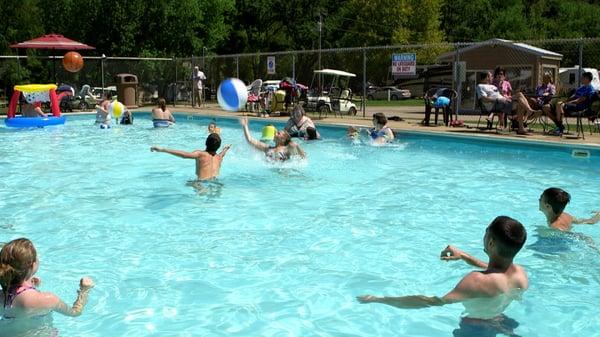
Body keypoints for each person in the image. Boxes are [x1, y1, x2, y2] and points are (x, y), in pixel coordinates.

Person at [358, 216, 528, 335]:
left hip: (475, 330)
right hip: (499, 319)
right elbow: (496, 270)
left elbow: (434, 303)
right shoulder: (520, 274)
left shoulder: (476, 281)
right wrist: (464, 256)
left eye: (486, 232)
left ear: (490, 242)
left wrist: (380, 300)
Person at [0, 238, 94, 334]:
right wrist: (84, 290)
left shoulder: (2, 296)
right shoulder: (47, 299)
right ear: (33, 265)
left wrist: (31, 286)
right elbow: (75, 312)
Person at [151, 133, 231, 181]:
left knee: (188, 183)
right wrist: (226, 149)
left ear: (206, 142)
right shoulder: (219, 157)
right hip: (216, 183)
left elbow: (184, 155)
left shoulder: (200, 154)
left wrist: (163, 149)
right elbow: (222, 153)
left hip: (201, 183)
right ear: (218, 146)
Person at [240, 116, 305, 161]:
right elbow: (250, 140)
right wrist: (245, 126)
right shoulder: (267, 148)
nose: (275, 133)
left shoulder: (286, 149)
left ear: (283, 139)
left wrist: (297, 146)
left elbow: (303, 157)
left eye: (278, 133)